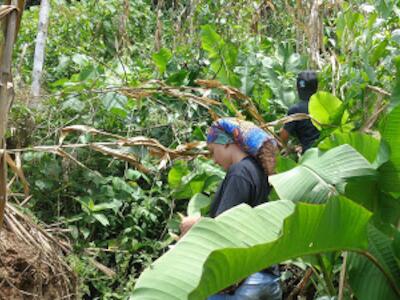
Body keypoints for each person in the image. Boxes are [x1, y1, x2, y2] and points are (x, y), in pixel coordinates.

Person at [180, 118, 282, 300]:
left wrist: (193, 223)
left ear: (226, 142)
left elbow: (225, 225)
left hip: (248, 278)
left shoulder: (239, 173)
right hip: (268, 275)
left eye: (213, 151)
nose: (213, 159)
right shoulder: (258, 170)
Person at [279, 70, 320, 153]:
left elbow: (284, 134)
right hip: (326, 150)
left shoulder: (295, 110)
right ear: (317, 87)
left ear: (297, 88)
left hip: (309, 154)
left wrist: (287, 148)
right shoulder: (323, 105)